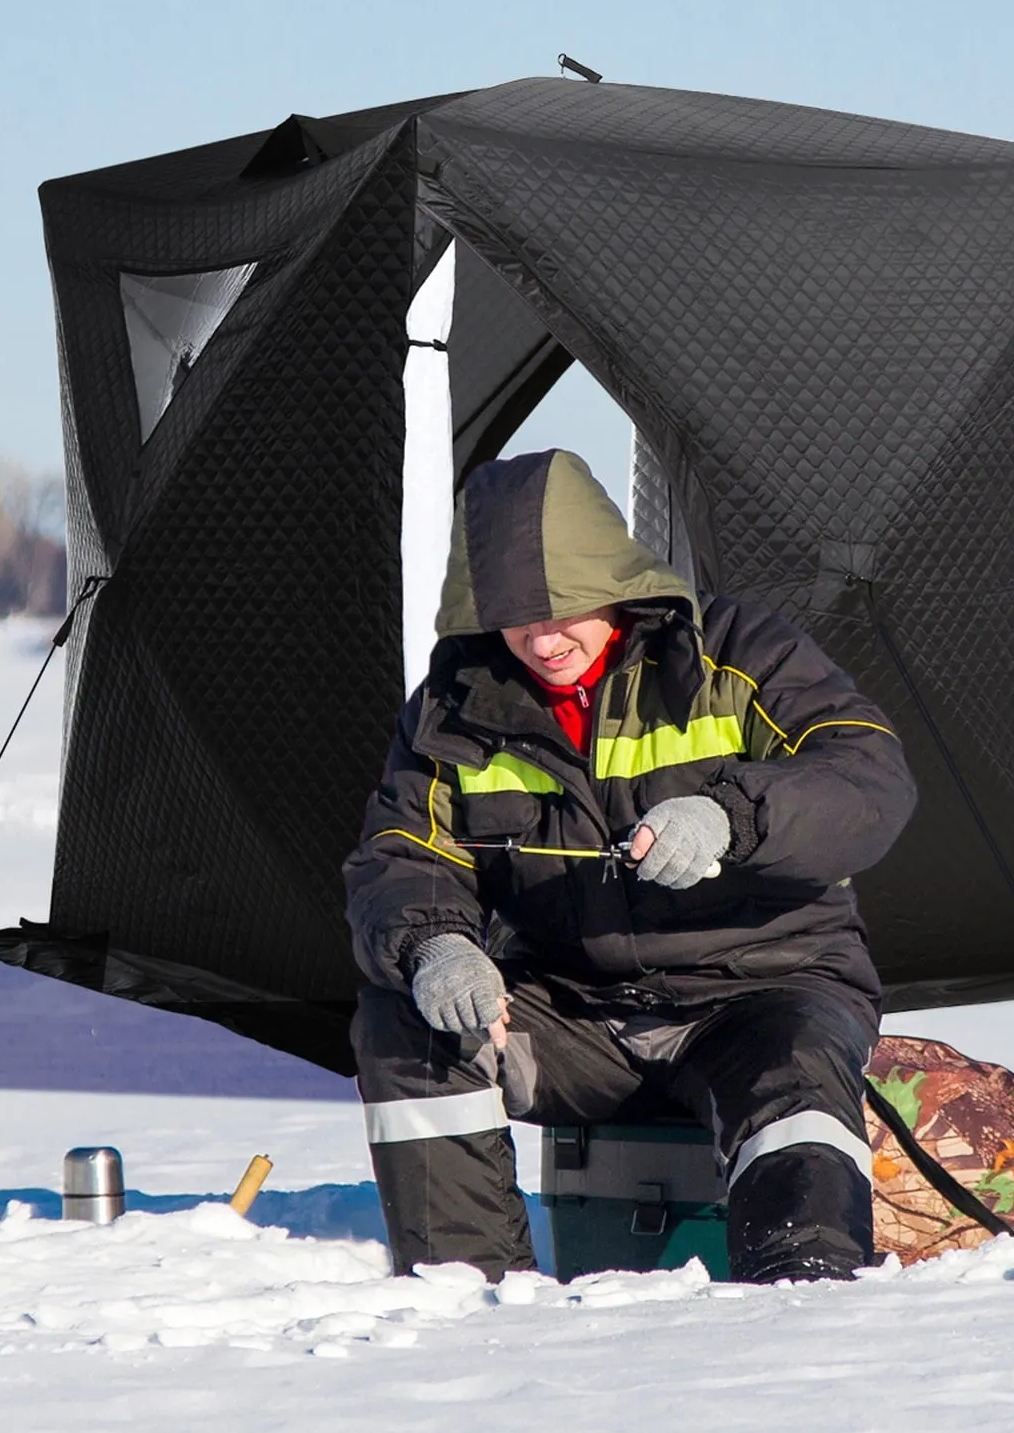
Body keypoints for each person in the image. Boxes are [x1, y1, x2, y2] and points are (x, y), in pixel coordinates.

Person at [343, 449, 917, 1283]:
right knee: (410, 1023)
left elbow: (867, 780)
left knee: (793, 1072)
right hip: (576, 1015)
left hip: (763, 991)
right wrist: (436, 945)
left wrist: (730, 818)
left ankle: (804, 1293)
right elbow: (402, 850)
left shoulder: (739, 651)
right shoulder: (453, 705)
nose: (543, 639)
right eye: (514, 615)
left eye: (567, 608)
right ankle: (466, 1295)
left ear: (617, 580)